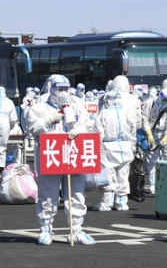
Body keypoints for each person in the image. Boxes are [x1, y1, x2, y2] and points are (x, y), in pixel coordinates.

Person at [24, 74, 95, 245]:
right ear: (51, 88)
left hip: (73, 155)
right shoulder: (39, 108)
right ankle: (46, 229)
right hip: (51, 156)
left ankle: (76, 230)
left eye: (65, 88)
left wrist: (80, 131)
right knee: (48, 194)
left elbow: (88, 124)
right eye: (59, 89)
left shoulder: (76, 106)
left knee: (76, 194)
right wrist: (49, 119)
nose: (63, 92)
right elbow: (32, 127)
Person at [93, 76, 139, 212]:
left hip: (108, 147)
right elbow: (133, 129)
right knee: (123, 176)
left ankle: (106, 203)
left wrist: (98, 149)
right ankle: (121, 203)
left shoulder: (103, 114)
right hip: (125, 147)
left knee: (108, 176)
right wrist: (132, 145)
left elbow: (98, 133)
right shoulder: (126, 111)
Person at [143, 80, 167, 194]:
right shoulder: (151, 102)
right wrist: (148, 132)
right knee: (152, 160)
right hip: (153, 133)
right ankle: (153, 185)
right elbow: (145, 118)